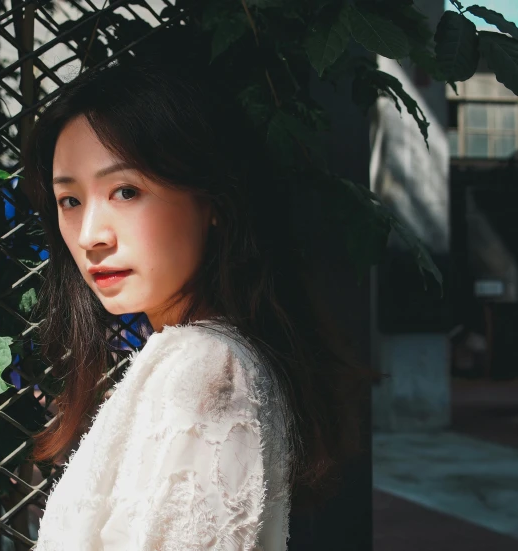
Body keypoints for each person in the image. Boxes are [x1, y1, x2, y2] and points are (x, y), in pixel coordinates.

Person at [21, 51, 368, 550]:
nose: (91, 235)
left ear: (213, 201)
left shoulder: (206, 367)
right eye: (70, 200)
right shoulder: (217, 355)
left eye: (124, 191)